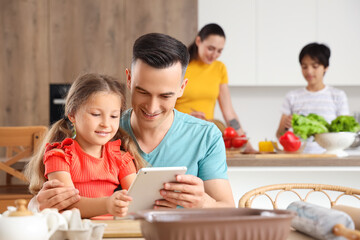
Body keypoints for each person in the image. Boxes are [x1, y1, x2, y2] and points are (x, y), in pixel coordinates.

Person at [31, 33, 235, 211]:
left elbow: (227, 209)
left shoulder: (206, 136)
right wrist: (38, 204)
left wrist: (204, 203)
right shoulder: (103, 129)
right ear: (129, 80)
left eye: (165, 96)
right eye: (142, 91)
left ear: (182, 88)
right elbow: (54, 195)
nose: (152, 107)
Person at [25, 73, 146, 218]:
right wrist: (108, 204)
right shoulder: (59, 156)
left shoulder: (121, 157)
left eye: (114, 116)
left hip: (111, 231)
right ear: (72, 114)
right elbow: (67, 204)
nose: (106, 124)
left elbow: (137, 200)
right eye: (95, 114)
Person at [175, 23, 256, 152]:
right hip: (178, 134)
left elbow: (229, 113)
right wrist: (187, 118)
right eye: (211, 48)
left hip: (205, 137)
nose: (214, 54)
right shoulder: (179, 66)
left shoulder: (220, 69)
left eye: (219, 51)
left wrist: (245, 143)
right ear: (198, 41)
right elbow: (164, 105)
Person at [276, 42, 349, 153]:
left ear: (325, 67)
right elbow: (279, 135)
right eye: (304, 67)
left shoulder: (338, 96)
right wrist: (285, 126)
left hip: (329, 157)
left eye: (315, 66)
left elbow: (344, 134)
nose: (309, 71)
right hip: (301, 158)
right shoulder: (292, 96)